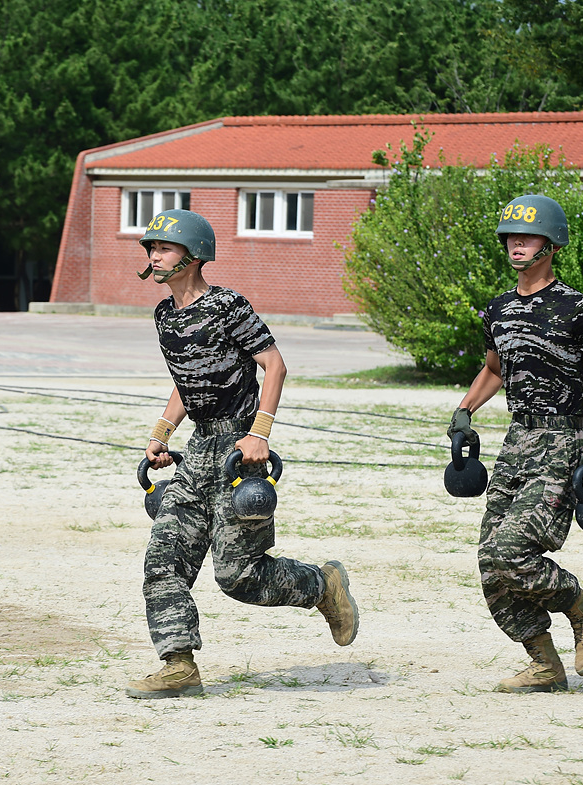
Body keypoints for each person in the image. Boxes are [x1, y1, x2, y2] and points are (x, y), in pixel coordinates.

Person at [126, 208, 360, 700]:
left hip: (240, 451)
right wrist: (162, 432)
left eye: (163, 248)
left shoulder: (228, 306)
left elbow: (273, 365)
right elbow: (185, 380)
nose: (154, 255)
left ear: (191, 257)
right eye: (150, 248)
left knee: (239, 577)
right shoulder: (164, 315)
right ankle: (179, 665)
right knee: (162, 562)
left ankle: (322, 586)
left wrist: (261, 434)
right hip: (197, 452)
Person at [448, 194, 583, 694]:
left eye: (526, 237)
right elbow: (493, 369)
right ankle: (544, 665)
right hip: (515, 442)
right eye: (510, 236)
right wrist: (465, 410)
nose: (516, 244)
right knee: (490, 562)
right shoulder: (500, 310)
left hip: (560, 441)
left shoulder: (576, 308)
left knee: (512, 549)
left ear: (550, 245)